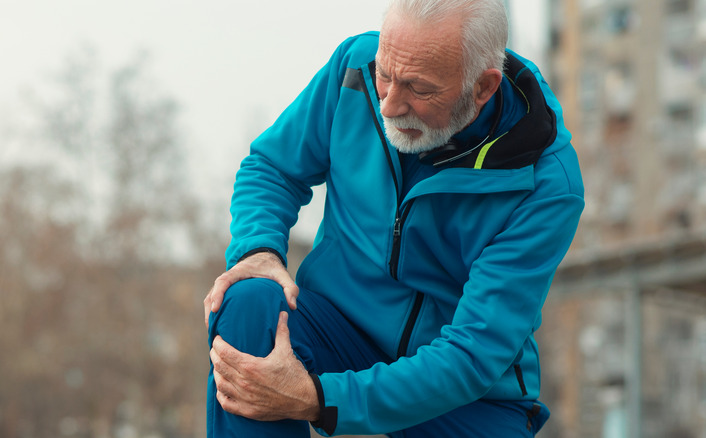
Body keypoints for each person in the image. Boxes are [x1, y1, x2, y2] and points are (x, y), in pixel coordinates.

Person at [203, 0, 584, 436]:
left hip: (464, 391)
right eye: (386, 74)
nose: (389, 105)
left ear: (483, 88)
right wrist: (258, 250)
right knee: (250, 300)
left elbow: (473, 353)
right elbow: (273, 167)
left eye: (418, 89)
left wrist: (319, 400)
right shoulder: (354, 69)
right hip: (338, 329)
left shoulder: (546, 184)